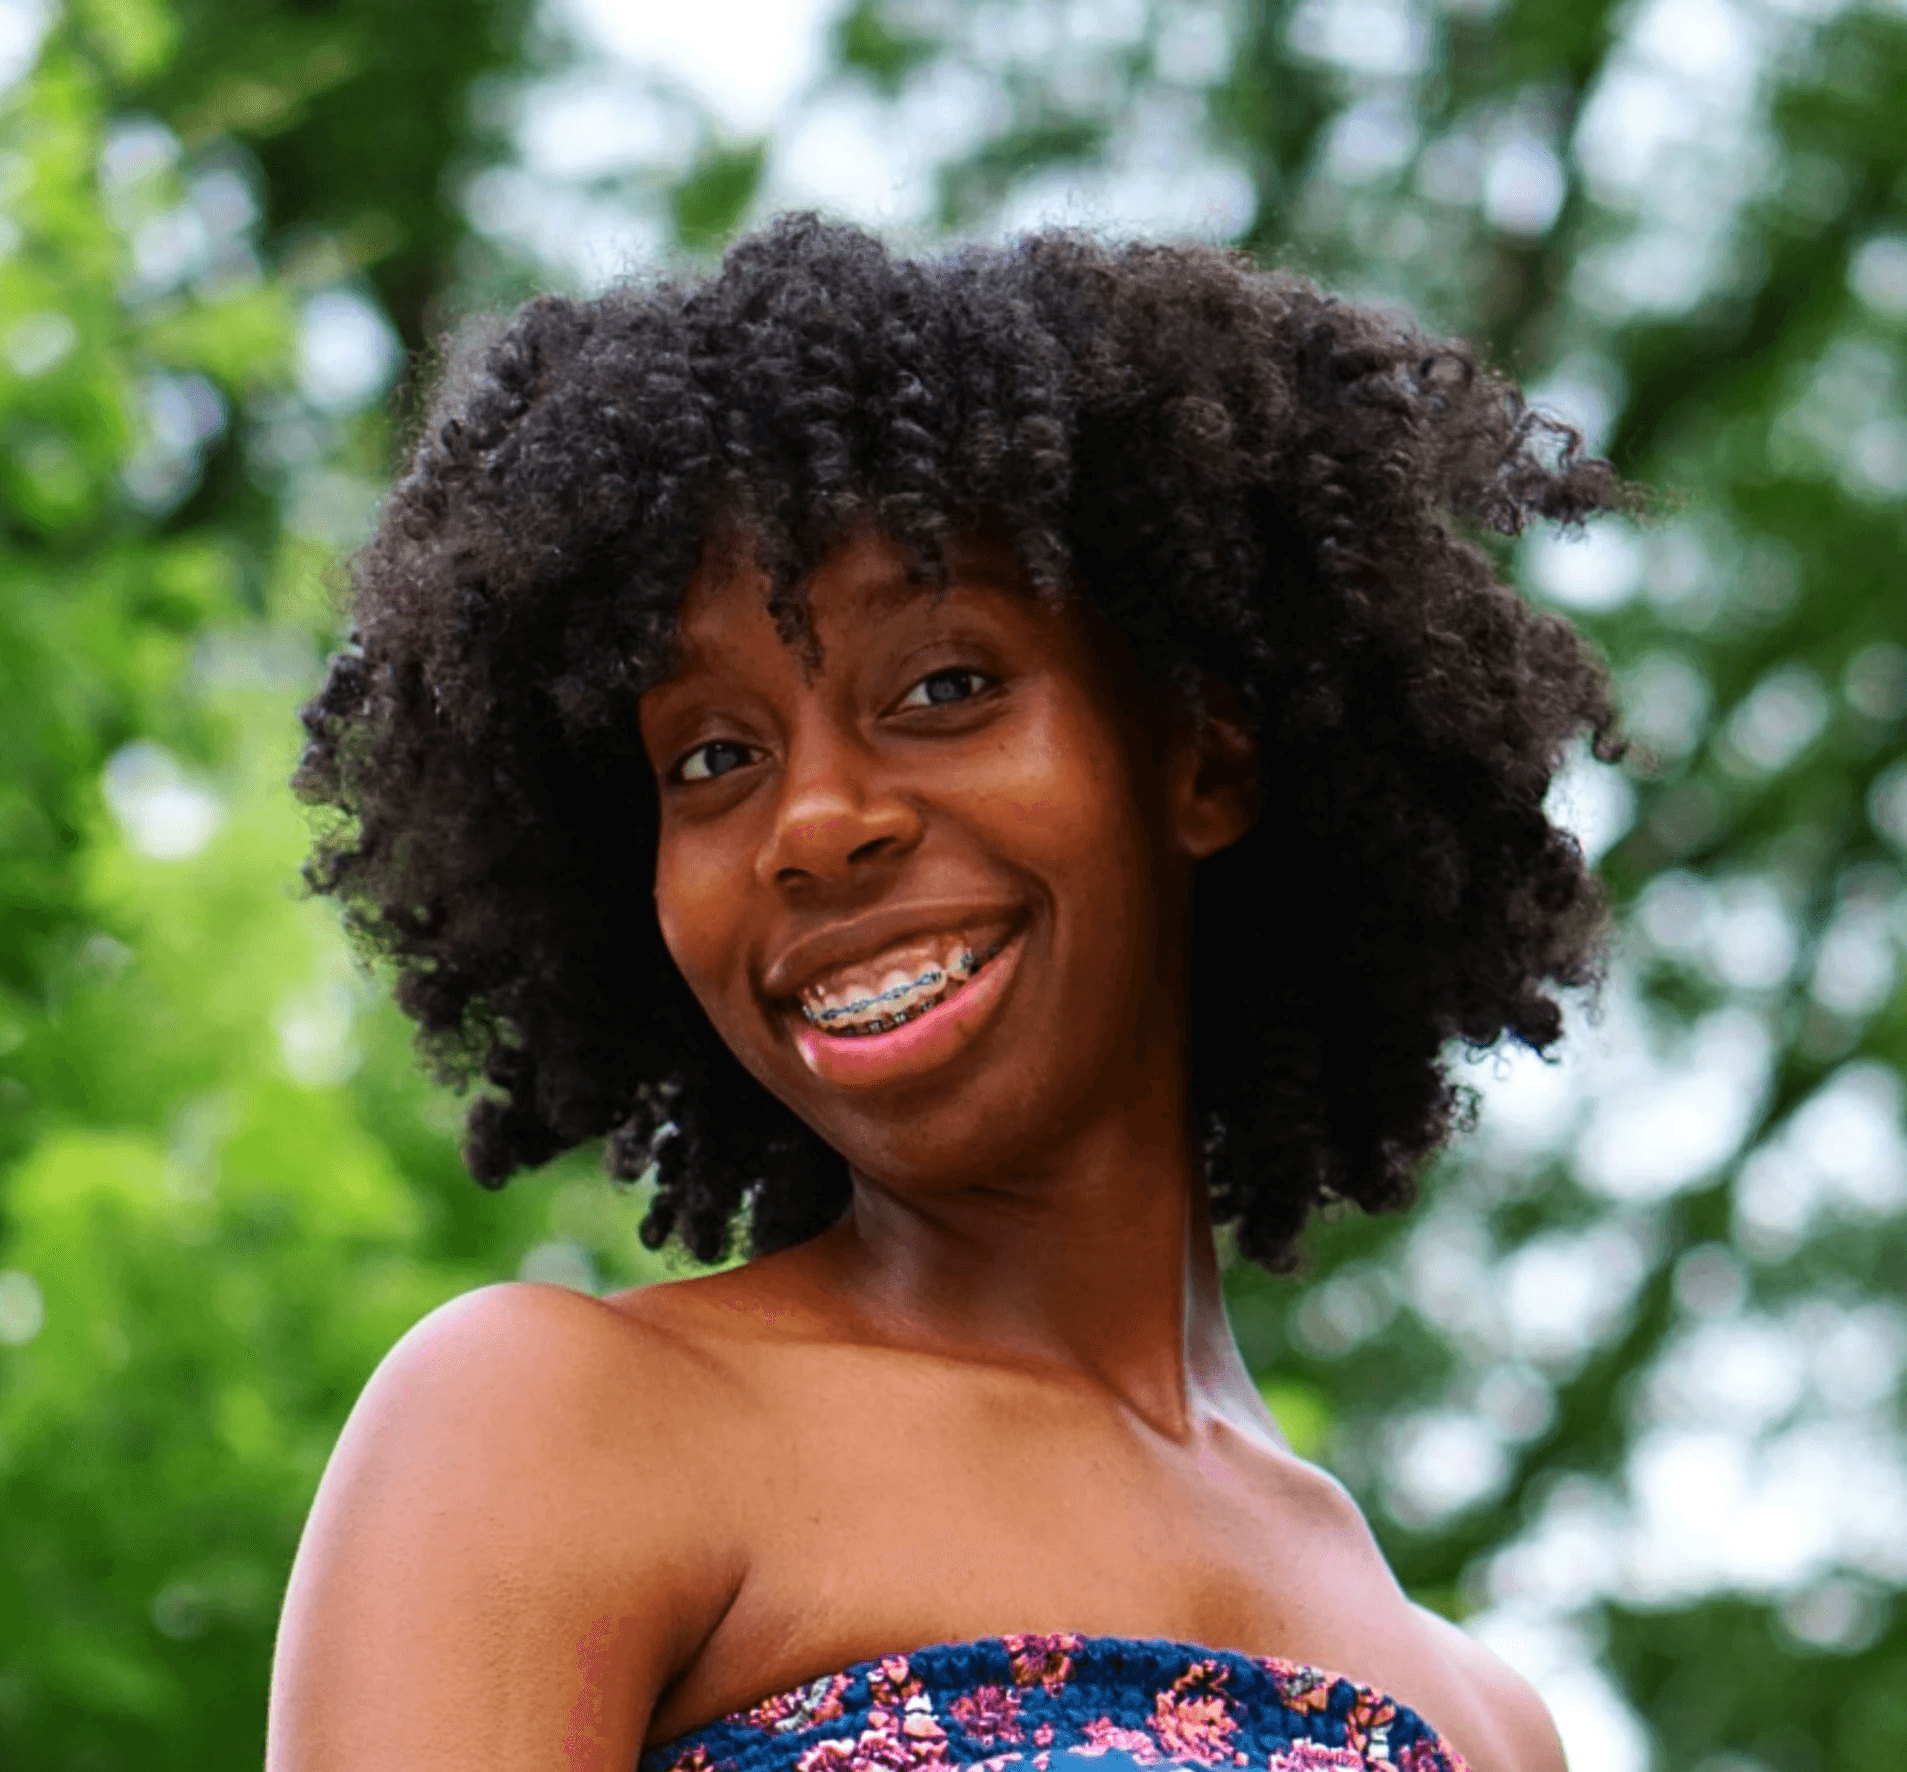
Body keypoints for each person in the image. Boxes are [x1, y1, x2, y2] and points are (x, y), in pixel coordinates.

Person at [269, 214, 1633, 1772]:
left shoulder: (1484, 1720)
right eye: (710, 757)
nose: (812, 822)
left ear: (1200, 753)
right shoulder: (555, 1429)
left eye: (941, 687)